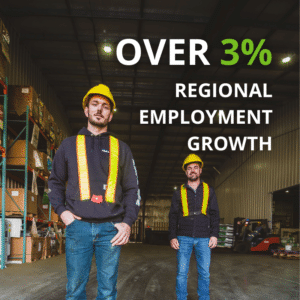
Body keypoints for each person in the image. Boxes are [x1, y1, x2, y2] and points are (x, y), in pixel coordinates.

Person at [48, 84, 141, 300]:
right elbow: (55, 182)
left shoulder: (122, 149)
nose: (99, 109)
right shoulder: (69, 145)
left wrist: (127, 222)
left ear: (110, 115)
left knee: (108, 291)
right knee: (74, 290)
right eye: (95, 104)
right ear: (86, 110)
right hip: (77, 228)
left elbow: (132, 189)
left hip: (111, 230)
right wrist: (63, 213)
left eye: (105, 106)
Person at [169, 154, 220, 300]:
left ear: (200, 170)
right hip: (183, 237)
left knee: (204, 272)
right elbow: (172, 215)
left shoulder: (209, 190)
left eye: (195, 168)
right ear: (186, 172)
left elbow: (215, 214)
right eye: (189, 168)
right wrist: (172, 236)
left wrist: (214, 234)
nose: (192, 171)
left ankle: (204, 298)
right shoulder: (178, 192)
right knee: (182, 273)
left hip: (204, 238)